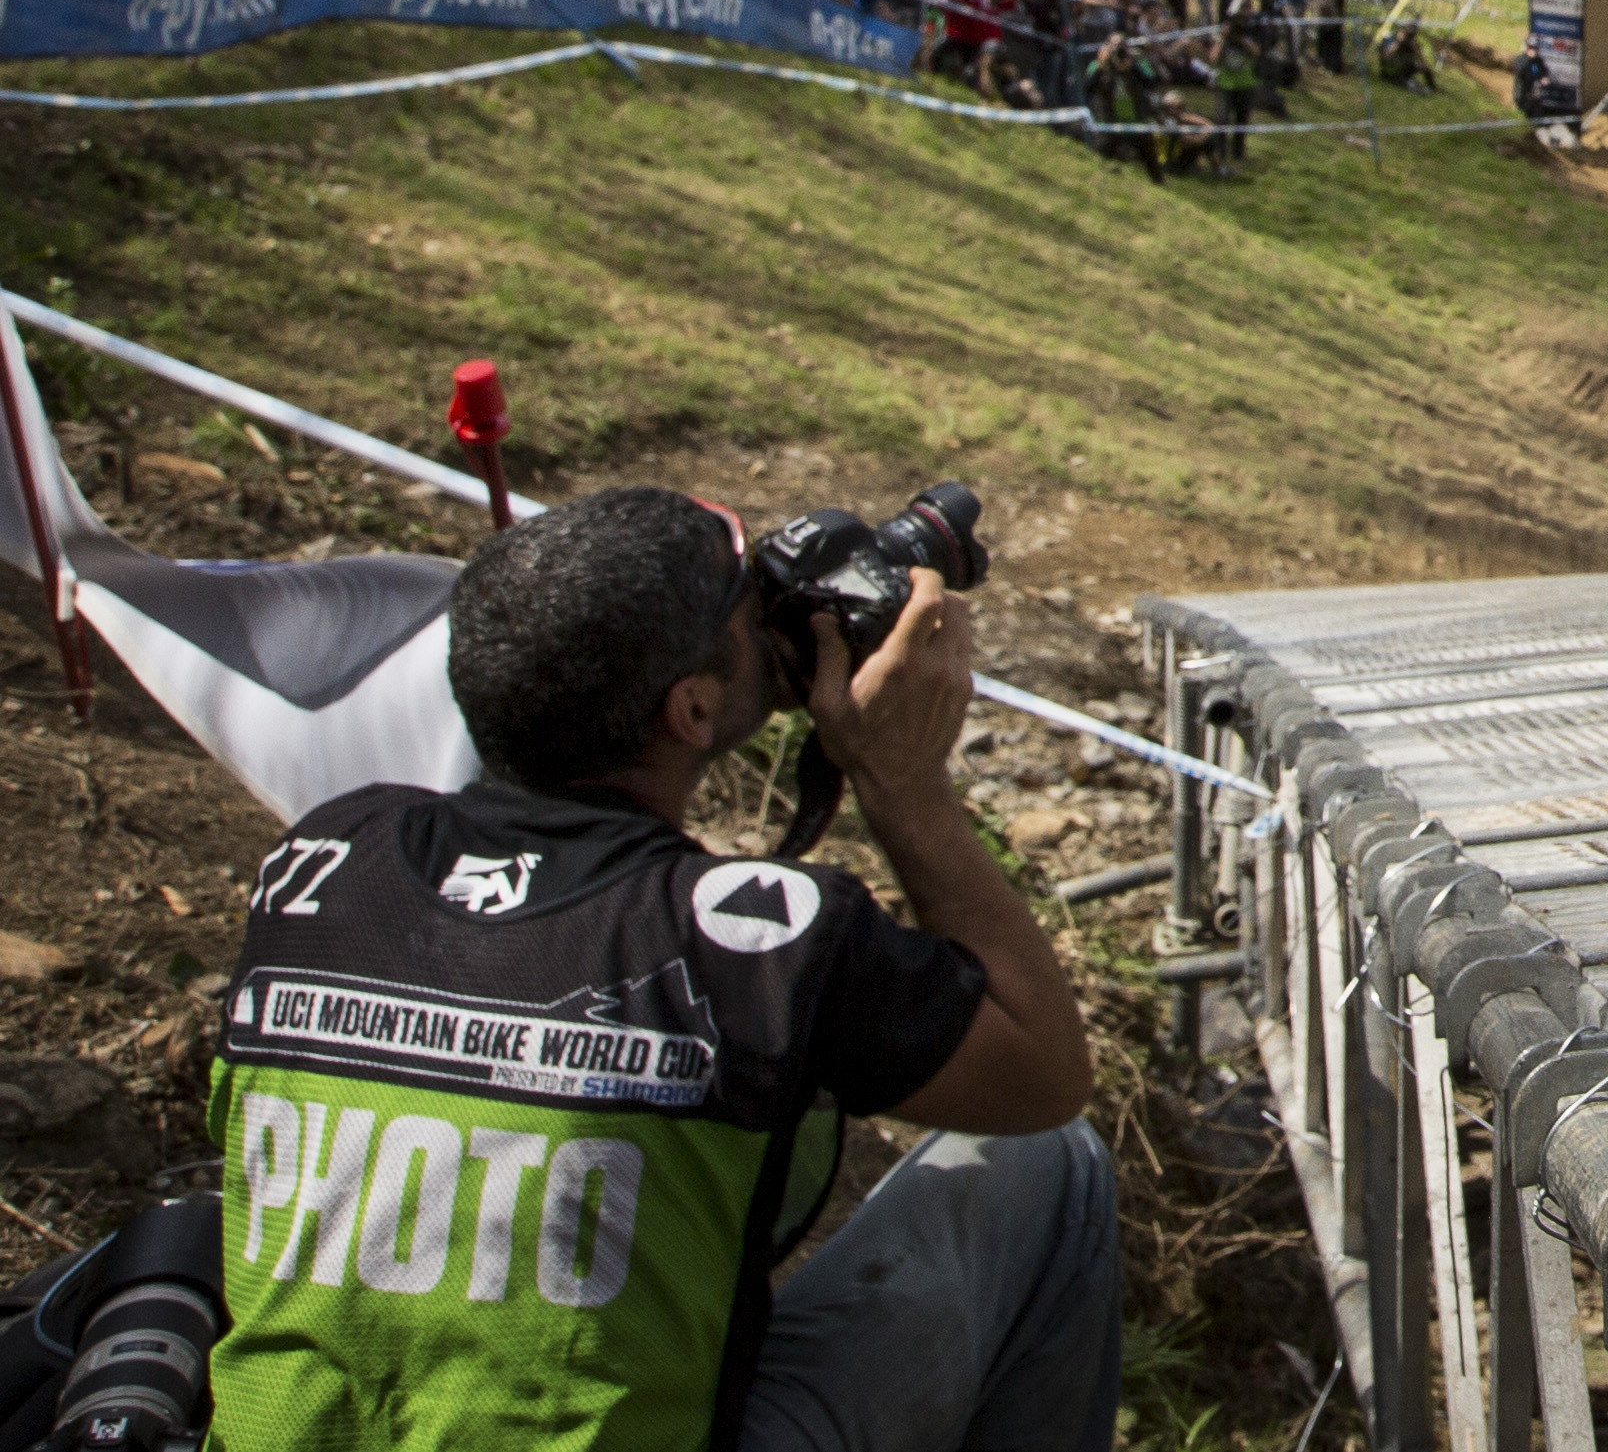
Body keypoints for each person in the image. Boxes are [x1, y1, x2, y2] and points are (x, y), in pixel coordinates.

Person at [209, 484, 1112, 1452]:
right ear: (691, 708)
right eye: (744, 609)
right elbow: (1044, 1074)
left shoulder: (331, 856)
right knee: (1047, 1165)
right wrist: (902, 776)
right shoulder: (759, 943)